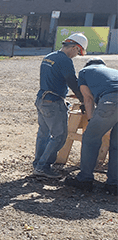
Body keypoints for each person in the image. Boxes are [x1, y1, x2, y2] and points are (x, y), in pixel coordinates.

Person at [33, 32, 88, 179]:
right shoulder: (65, 61)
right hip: (53, 102)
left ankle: (38, 164)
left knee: (43, 134)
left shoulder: (49, 57)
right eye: (78, 52)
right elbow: (72, 80)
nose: (76, 55)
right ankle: (43, 167)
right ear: (75, 48)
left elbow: (53, 79)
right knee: (59, 136)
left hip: (42, 99)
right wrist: (84, 99)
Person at [64, 58, 118, 195]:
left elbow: (87, 98)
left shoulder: (85, 72)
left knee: (90, 138)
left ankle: (84, 180)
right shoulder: (112, 72)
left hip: (110, 102)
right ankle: (114, 184)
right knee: (116, 145)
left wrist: (90, 119)